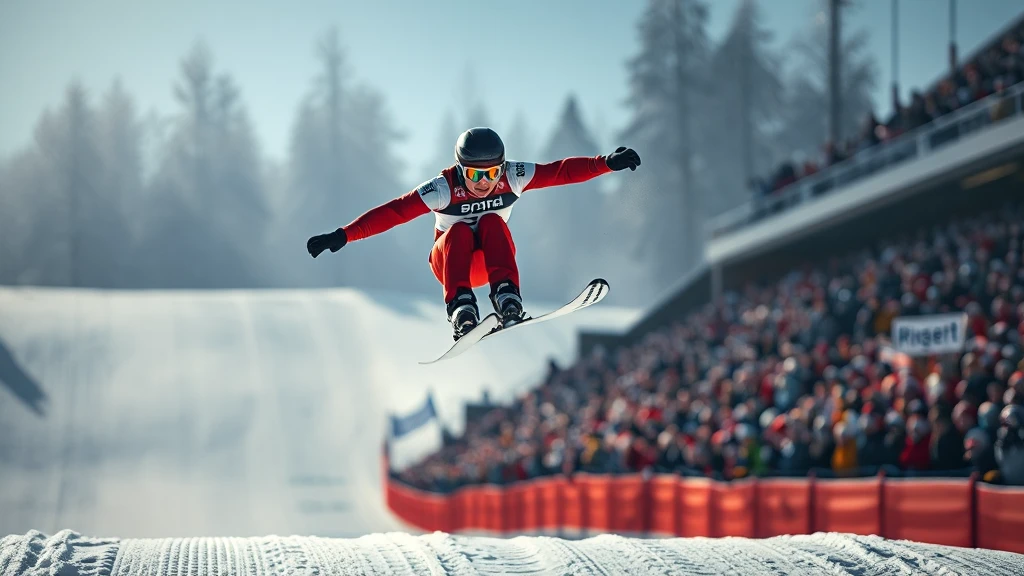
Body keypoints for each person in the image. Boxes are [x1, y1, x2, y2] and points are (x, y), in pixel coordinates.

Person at [306, 127, 641, 340]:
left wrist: (605, 162)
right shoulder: (442, 188)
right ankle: (461, 308)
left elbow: (561, 172)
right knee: (459, 232)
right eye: (475, 175)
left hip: (489, 263)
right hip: (452, 264)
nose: (484, 184)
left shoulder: (514, 176)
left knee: (494, 223)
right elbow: (395, 212)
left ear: (503, 167)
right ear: (459, 169)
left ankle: (507, 295)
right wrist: (343, 235)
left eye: (492, 173)